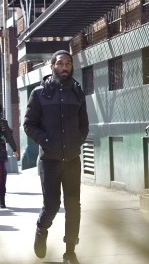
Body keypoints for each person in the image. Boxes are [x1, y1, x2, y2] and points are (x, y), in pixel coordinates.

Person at [23, 50, 89, 264]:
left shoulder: (78, 92)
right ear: (52, 66)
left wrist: (76, 141)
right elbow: (28, 125)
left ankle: (70, 251)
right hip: (49, 161)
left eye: (68, 64)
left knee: (73, 205)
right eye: (60, 63)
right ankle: (41, 230)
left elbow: (84, 125)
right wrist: (46, 140)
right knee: (51, 205)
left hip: (72, 160)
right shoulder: (39, 93)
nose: (65, 67)